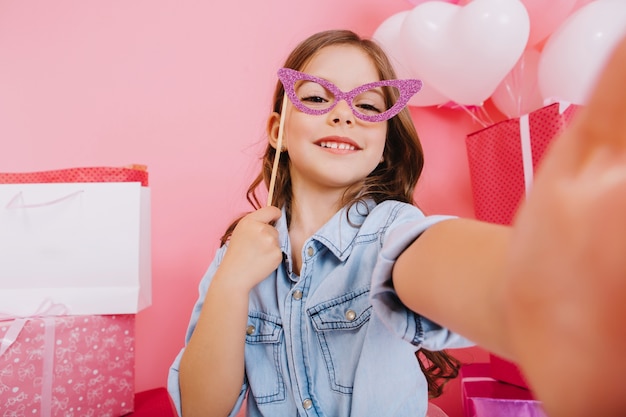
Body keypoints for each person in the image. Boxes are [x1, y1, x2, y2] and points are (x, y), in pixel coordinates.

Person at [168, 29, 626, 417]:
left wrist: (553, 285)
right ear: (278, 131)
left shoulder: (392, 230)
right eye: (314, 97)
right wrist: (231, 283)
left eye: (368, 107)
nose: (343, 112)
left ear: (385, 143)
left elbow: (430, 259)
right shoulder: (236, 257)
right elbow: (202, 408)